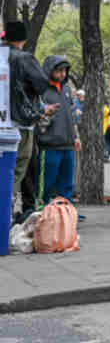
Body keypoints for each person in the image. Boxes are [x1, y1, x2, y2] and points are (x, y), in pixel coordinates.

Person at [4, 21, 55, 220]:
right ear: (24, 39)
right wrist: (42, 108)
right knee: (17, 169)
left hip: (2, 121)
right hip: (20, 124)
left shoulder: (1, 56)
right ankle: (6, 212)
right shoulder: (24, 58)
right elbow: (42, 84)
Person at [38, 56, 81, 203]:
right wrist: (46, 117)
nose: (63, 74)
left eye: (64, 71)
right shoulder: (41, 89)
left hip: (68, 144)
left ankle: (66, 211)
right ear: (50, 70)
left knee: (67, 185)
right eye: (59, 71)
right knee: (46, 184)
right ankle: (42, 210)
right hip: (49, 145)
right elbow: (37, 117)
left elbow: (72, 114)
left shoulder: (67, 88)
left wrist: (76, 137)